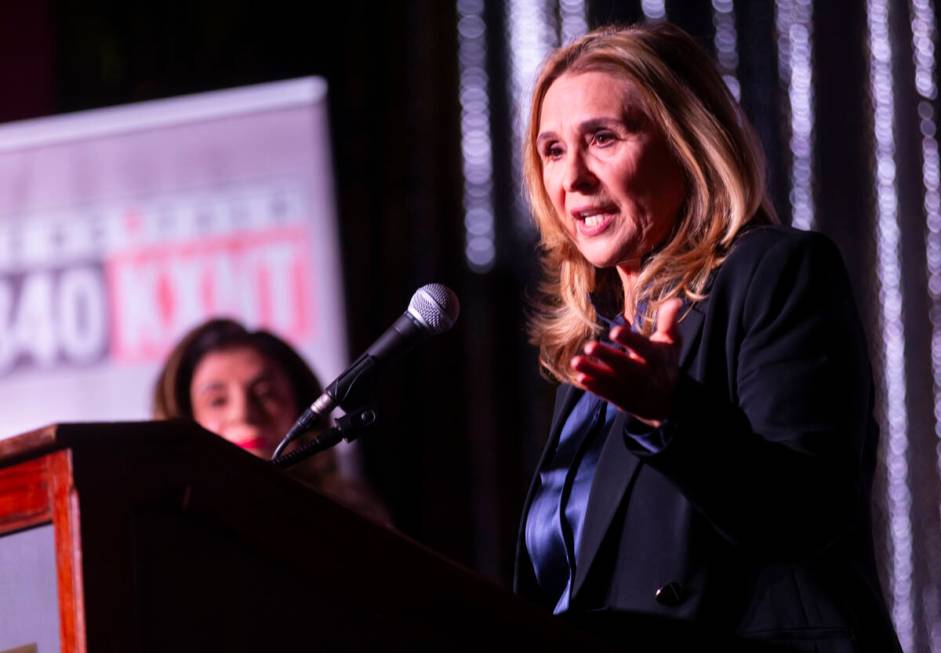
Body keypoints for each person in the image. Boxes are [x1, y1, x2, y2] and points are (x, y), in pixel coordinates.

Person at [516, 22, 901, 652]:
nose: (573, 178)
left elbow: (807, 510)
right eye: (552, 150)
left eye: (603, 138)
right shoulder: (601, 342)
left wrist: (672, 414)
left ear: (688, 143)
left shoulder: (775, 273)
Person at [153, 318, 388, 522]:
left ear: (302, 406)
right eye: (217, 401)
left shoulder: (354, 520)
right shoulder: (163, 529)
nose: (243, 414)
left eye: (265, 394)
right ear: (186, 418)